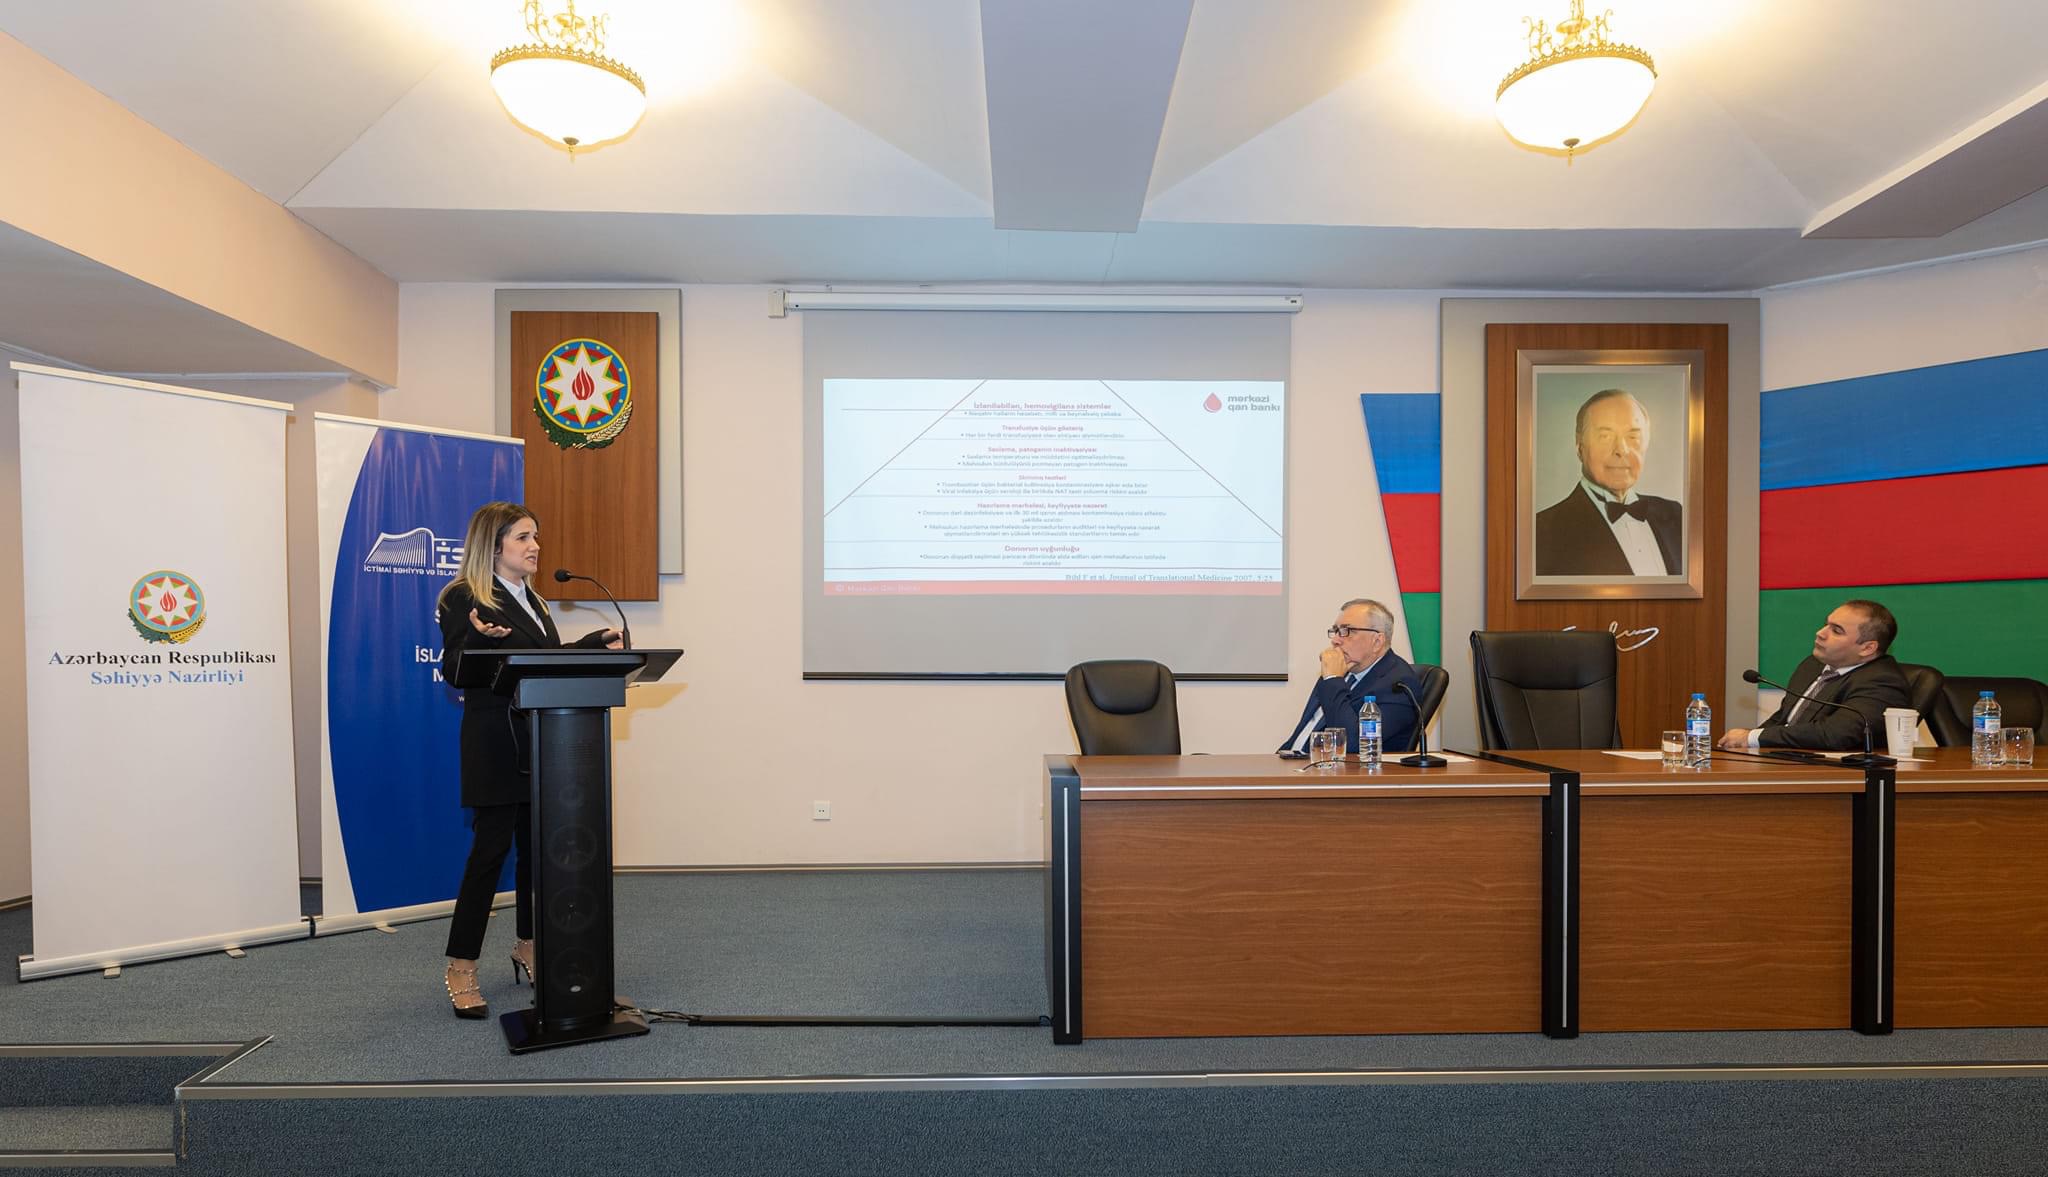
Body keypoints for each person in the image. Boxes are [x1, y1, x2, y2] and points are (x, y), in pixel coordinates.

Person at [435, 501, 621, 1019]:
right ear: (493, 545)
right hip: (496, 744)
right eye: (522, 537)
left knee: (538, 856)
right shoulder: (465, 596)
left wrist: (592, 644)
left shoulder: (535, 600)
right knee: (488, 857)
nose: (535, 546)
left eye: (535, 536)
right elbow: (456, 672)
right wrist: (477, 638)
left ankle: (529, 945)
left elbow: (542, 662)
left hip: (543, 743)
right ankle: (461, 965)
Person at [1718, 599, 1910, 753]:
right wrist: (1748, 739)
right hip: (1788, 763)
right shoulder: (1813, 665)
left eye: (1836, 631)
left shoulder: (1883, 682)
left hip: (1838, 779)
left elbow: (1835, 734)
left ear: (1867, 648)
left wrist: (1754, 737)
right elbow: (1784, 719)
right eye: (1826, 624)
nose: (1820, 633)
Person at [1534, 388, 1683, 576]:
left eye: (1633, 437)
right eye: (1605, 436)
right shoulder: (1541, 533)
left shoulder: (1676, 515)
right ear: (1580, 447)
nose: (1622, 449)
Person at [1279, 598, 1422, 756]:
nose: (1335, 640)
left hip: (1347, 770)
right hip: (1297, 762)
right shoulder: (1342, 670)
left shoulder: (1399, 685)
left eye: (1347, 631)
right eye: (1336, 631)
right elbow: (1303, 732)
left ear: (1377, 641)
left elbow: (1353, 745)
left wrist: (1333, 679)